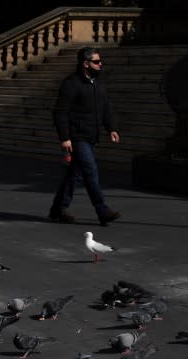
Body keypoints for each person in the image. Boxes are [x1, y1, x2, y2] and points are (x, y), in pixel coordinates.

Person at [49, 47, 121, 226]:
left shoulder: (98, 84)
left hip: (91, 136)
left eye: (100, 61)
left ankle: (58, 210)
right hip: (77, 137)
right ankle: (102, 210)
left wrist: (111, 128)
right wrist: (64, 137)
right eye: (96, 62)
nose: (100, 64)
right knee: (90, 171)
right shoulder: (71, 84)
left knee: (74, 175)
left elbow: (106, 108)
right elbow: (60, 112)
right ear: (85, 63)